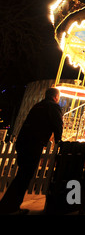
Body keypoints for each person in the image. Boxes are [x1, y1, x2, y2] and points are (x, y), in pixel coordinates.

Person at [0, 87, 63, 215]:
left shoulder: (38, 105)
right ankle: (10, 207)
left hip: (24, 141)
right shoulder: (53, 106)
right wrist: (59, 142)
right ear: (56, 97)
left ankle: (9, 205)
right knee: (24, 176)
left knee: (22, 175)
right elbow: (58, 124)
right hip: (34, 142)